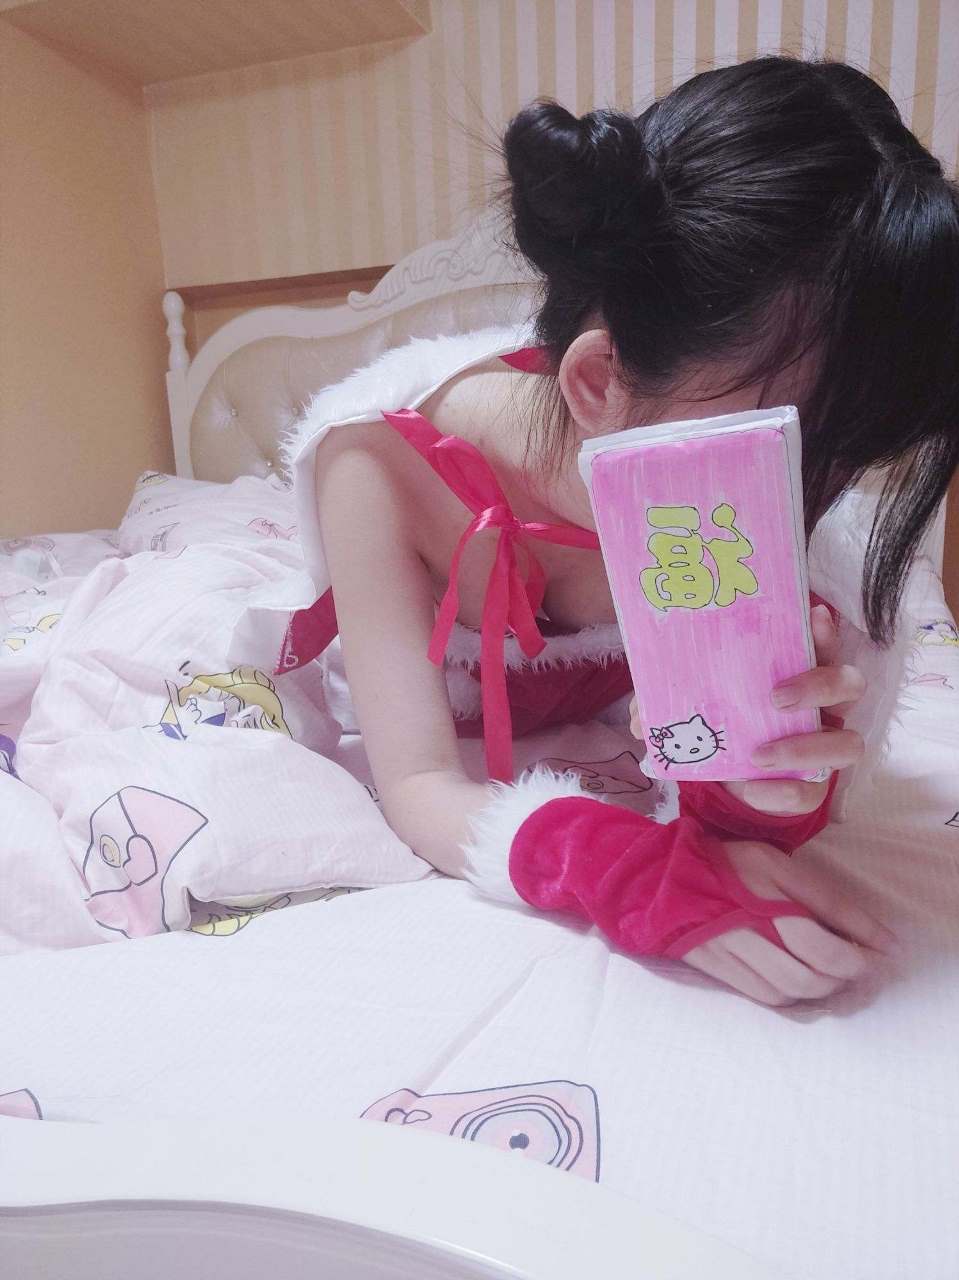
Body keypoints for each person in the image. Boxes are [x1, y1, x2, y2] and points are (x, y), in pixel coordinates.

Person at [287, 56, 959, 1006]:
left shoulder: (793, 520)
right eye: (785, 448)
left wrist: (753, 792)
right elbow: (418, 784)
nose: (810, 499)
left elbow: (750, 791)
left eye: (852, 458)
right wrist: (616, 866)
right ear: (597, 383)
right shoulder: (379, 468)